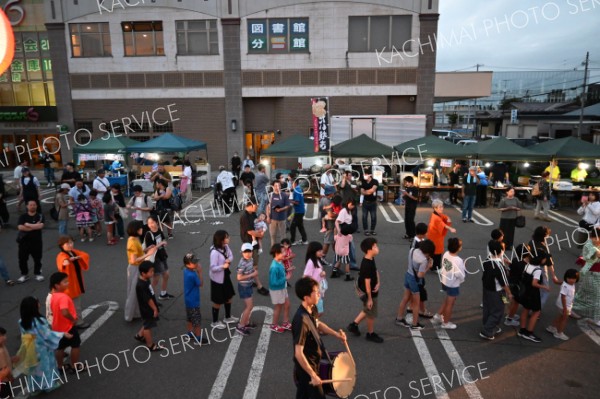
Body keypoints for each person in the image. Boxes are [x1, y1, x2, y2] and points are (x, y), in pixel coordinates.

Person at [292, 277, 347, 399]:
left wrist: (336, 334)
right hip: (307, 367)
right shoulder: (301, 321)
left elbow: (318, 324)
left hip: (314, 362)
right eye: (316, 292)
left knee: (303, 394)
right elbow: (298, 353)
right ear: (306, 297)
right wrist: (312, 375)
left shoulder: (312, 308)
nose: (319, 294)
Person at [17, 296, 64, 394]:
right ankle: (48, 386)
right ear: (34, 307)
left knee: (34, 369)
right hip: (43, 350)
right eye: (37, 302)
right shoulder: (40, 322)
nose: (39, 304)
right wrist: (62, 334)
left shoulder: (21, 322)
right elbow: (48, 335)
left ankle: (35, 388)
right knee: (46, 368)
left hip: (31, 349)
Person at [347, 237, 383, 342]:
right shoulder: (366, 264)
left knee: (368, 309)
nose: (377, 248)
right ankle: (370, 333)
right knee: (371, 313)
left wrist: (378, 282)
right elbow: (367, 283)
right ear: (369, 250)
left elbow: (375, 270)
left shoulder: (370, 258)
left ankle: (354, 325)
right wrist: (370, 298)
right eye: (375, 246)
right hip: (369, 293)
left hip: (371, 290)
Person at [395, 239, 435, 330]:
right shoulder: (424, 260)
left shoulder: (413, 250)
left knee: (405, 298)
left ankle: (399, 318)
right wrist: (428, 267)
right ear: (428, 252)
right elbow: (420, 275)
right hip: (415, 280)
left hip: (408, 275)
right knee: (416, 303)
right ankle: (415, 324)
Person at [49, 272, 85, 372]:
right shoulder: (63, 297)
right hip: (68, 327)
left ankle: (60, 367)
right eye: (65, 282)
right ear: (57, 285)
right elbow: (64, 312)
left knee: (60, 348)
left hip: (57, 327)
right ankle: (74, 366)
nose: (68, 283)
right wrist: (72, 319)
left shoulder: (53, 296)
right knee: (75, 345)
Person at [479, 241, 513, 341]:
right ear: (501, 251)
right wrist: (509, 293)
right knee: (498, 311)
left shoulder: (486, 261)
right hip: (498, 292)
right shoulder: (499, 266)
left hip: (487, 290)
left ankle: (489, 324)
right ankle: (487, 330)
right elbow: (504, 283)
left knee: (488, 308)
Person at [516, 245, 549, 343]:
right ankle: (529, 332)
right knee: (536, 312)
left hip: (525, 292)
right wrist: (544, 287)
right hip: (533, 293)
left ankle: (522, 330)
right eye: (544, 258)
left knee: (525, 310)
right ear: (540, 259)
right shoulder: (538, 270)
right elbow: (534, 283)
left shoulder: (528, 265)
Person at [55, 236, 91, 329]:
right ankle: (78, 322)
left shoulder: (73, 252)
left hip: (75, 283)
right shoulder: (62, 255)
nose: (70, 245)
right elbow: (63, 261)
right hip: (69, 286)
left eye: (71, 242)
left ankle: (71, 322)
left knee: (74, 305)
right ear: (62, 246)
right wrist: (67, 261)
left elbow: (85, 255)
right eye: (67, 243)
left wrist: (79, 257)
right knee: (75, 305)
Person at [125, 220, 157, 322]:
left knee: (136, 291)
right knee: (134, 292)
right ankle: (130, 315)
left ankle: (135, 313)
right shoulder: (132, 242)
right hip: (135, 268)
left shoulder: (134, 239)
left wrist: (146, 249)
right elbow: (134, 260)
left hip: (136, 267)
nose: (142, 229)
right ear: (136, 229)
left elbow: (138, 253)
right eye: (140, 228)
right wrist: (148, 254)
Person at [432, 238, 465, 329]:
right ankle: (445, 323)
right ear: (458, 248)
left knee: (448, 299)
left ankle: (438, 315)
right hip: (453, 284)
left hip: (444, 281)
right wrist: (463, 266)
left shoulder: (446, 254)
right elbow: (460, 275)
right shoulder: (458, 260)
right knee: (450, 303)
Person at [240, 197, 269, 296]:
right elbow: (250, 231)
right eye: (256, 205)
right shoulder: (244, 216)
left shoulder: (252, 214)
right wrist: (260, 235)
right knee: (254, 266)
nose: (257, 207)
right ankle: (259, 286)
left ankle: (250, 280)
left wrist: (261, 231)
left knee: (251, 264)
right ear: (251, 205)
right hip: (249, 244)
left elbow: (258, 224)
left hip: (254, 242)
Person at [209, 230, 238, 329]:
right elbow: (213, 268)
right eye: (226, 237)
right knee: (217, 301)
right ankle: (215, 321)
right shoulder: (214, 252)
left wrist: (228, 260)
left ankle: (227, 317)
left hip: (225, 276)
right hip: (217, 280)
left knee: (229, 296)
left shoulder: (225, 247)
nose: (228, 238)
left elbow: (231, 255)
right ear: (221, 240)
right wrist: (223, 266)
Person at [572, 227, 600, 326]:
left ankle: (572, 307)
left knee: (583, 293)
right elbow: (590, 257)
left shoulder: (595, 244)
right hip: (590, 273)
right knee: (597, 296)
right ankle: (596, 318)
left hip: (596, 274)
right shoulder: (589, 245)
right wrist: (596, 252)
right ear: (594, 237)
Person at [134, 261, 163, 351]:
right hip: (147, 309)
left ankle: (139, 335)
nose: (152, 273)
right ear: (143, 273)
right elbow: (148, 299)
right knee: (148, 326)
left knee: (148, 322)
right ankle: (150, 345)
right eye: (151, 271)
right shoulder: (141, 285)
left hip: (148, 308)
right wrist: (154, 308)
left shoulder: (145, 280)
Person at [144, 215, 174, 300]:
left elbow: (163, 240)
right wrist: (160, 244)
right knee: (156, 279)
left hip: (162, 255)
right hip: (155, 258)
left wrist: (164, 243)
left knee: (166, 274)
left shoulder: (159, 231)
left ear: (157, 222)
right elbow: (149, 249)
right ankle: (150, 299)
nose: (150, 225)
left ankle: (163, 293)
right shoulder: (148, 235)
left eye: (152, 222)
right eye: (149, 223)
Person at [16, 200, 45, 283]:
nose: (33, 206)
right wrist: (34, 226)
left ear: (36, 206)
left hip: (36, 242)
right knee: (22, 259)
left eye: (34, 205)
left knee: (37, 259)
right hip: (24, 242)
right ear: (27, 206)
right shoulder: (23, 216)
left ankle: (38, 273)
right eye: (31, 205)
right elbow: (20, 227)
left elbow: (40, 226)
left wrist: (28, 225)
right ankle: (24, 275)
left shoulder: (40, 216)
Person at [547, 269, 580, 341]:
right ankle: (559, 333)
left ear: (576, 279)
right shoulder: (566, 286)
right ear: (566, 277)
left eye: (573, 278)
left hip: (562, 305)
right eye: (569, 278)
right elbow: (563, 297)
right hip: (564, 306)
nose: (571, 280)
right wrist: (565, 308)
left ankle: (552, 327)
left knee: (560, 316)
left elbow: (561, 282)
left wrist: (556, 282)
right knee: (564, 319)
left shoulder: (566, 283)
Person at [182, 252, 208, 344]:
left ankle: (189, 333)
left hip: (188, 300)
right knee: (197, 321)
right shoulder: (192, 275)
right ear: (187, 264)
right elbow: (200, 284)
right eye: (194, 262)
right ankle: (198, 338)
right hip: (194, 302)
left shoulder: (186, 271)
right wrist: (200, 272)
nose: (196, 263)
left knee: (189, 318)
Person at [236, 243, 258, 336]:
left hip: (248, 285)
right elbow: (239, 277)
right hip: (244, 287)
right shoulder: (242, 263)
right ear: (241, 252)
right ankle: (240, 326)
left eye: (249, 251)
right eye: (245, 252)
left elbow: (251, 269)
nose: (248, 254)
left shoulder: (251, 259)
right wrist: (252, 275)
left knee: (250, 306)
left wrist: (253, 272)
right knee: (249, 307)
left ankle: (246, 323)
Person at [427, 199, 456, 271]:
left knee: (433, 252)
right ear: (435, 208)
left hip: (434, 237)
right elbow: (442, 224)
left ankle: (431, 266)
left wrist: (447, 219)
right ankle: (436, 267)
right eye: (440, 207)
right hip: (435, 238)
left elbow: (443, 217)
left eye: (442, 206)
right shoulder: (436, 217)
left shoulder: (435, 214)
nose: (442, 208)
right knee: (437, 252)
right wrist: (450, 228)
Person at [269, 244, 291, 333]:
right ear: (276, 254)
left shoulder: (279, 262)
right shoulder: (274, 267)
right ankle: (274, 325)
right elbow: (273, 282)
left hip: (282, 287)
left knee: (287, 304)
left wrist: (286, 272)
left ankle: (285, 322)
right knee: (278, 307)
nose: (285, 253)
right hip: (277, 289)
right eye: (283, 252)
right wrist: (285, 278)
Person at [303, 242, 327, 316]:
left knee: (316, 310)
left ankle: (313, 323)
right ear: (313, 251)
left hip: (318, 289)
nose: (321, 252)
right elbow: (305, 276)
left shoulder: (317, 260)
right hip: (314, 290)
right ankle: (313, 323)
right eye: (319, 251)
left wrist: (322, 274)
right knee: (319, 311)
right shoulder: (311, 262)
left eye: (321, 250)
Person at [267, 180, 291, 247]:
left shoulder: (284, 195)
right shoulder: (271, 195)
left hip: (282, 218)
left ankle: (283, 249)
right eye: (275, 186)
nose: (277, 187)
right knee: (272, 235)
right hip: (272, 219)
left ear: (280, 186)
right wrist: (268, 217)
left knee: (283, 235)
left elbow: (287, 205)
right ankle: (274, 250)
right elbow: (267, 206)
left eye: (278, 185)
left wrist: (281, 209)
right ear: (273, 187)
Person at [290, 178, 308, 246]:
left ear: (295, 183)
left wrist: (289, 201)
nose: (291, 185)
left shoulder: (297, 190)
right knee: (300, 226)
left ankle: (293, 241)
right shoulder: (299, 189)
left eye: (292, 183)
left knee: (292, 227)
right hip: (301, 210)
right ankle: (304, 239)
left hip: (299, 211)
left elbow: (297, 202)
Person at [361, 168, 379, 236]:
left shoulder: (375, 181)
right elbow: (361, 191)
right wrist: (368, 192)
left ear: (369, 175)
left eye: (365, 174)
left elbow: (372, 190)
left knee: (373, 217)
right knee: (364, 217)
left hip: (373, 202)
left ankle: (372, 230)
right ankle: (366, 230)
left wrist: (366, 192)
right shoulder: (363, 181)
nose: (364, 176)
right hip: (365, 202)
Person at [0, 326, 17, 398]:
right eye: (1, 336)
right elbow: (5, 370)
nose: (4, 337)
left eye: (4, 335)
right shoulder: (1, 351)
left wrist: (10, 359)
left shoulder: (2, 346)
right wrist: (11, 377)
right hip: (4, 380)